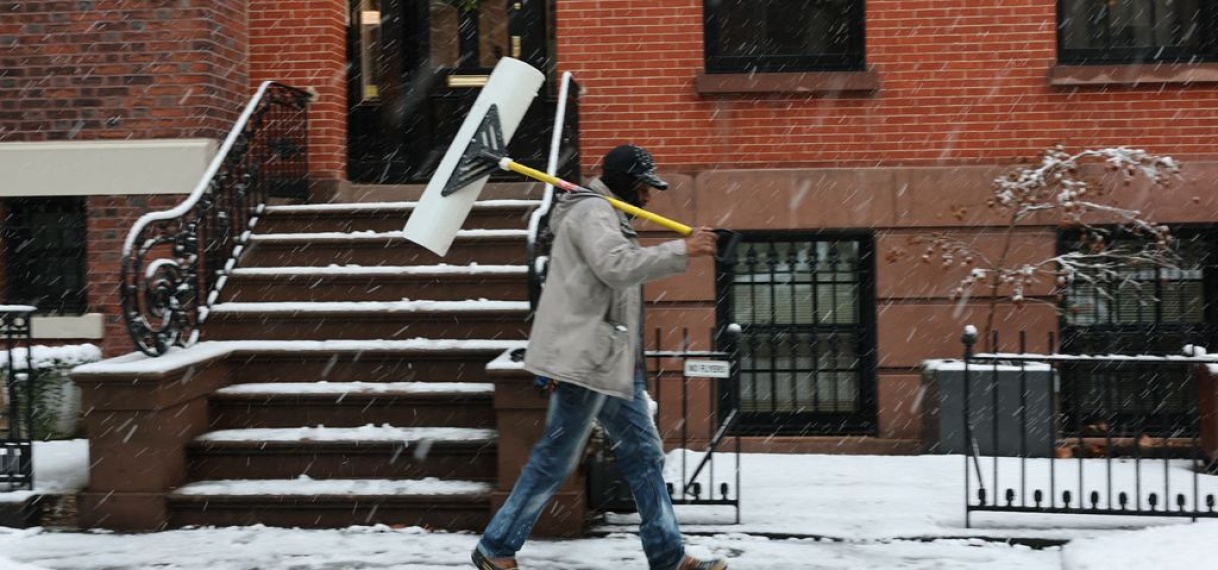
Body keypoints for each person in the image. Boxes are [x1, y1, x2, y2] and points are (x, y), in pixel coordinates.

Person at [472, 144, 727, 570]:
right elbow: (617, 266)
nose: (649, 197)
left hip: (611, 361)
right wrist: (683, 250)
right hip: (587, 361)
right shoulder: (593, 213)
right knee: (556, 458)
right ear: (627, 183)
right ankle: (496, 547)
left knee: (644, 454)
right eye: (644, 188)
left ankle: (668, 555)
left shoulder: (606, 213)